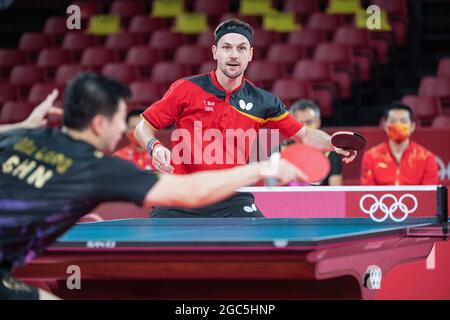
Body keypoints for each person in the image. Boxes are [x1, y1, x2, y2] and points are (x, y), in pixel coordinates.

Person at [0, 73, 306, 300]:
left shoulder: (18, 139)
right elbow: (191, 193)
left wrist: (21, 126)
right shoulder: (100, 169)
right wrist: (264, 167)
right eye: (121, 120)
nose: (124, 129)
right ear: (98, 124)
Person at [135, 19, 357, 218]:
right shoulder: (186, 88)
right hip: (180, 194)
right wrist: (154, 147)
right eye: (226, 47)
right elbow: (142, 128)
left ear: (250, 54)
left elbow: (305, 135)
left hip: (232, 196)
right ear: (215, 52)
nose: (234, 55)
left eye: (241, 48)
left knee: (264, 256)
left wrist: (333, 144)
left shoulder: (264, 102)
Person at [361, 101, 439, 185]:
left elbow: (429, 195)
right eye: (393, 121)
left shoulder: (427, 158)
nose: (398, 125)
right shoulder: (370, 157)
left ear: (412, 126)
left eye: (403, 121)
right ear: (385, 126)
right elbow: (368, 195)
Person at [286, 100, 342, 186]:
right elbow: (270, 192)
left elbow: (336, 193)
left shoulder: (331, 153)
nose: (304, 128)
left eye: (309, 122)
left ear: (318, 122)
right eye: (298, 124)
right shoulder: (281, 150)